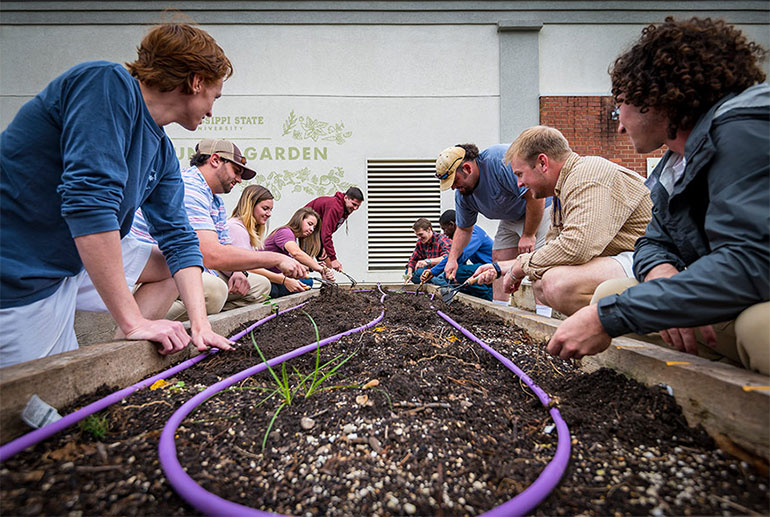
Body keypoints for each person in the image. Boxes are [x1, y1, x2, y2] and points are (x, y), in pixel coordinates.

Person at [0, 23, 236, 367]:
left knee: (172, 263)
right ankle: (130, 330)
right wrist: (133, 319)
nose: (212, 110)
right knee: (39, 408)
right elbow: (89, 203)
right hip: (21, 268)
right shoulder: (104, 84)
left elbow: (179, 237)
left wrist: (201, 326)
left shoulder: (160, 149)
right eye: (214, 96)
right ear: (196, 81)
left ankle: (120, 357)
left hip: (71, 260)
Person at [548, 17, 769, 375]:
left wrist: (612, 318)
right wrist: (661, 276)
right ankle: (705, 388)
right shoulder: (675, 163)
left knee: (758, 330)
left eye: (621, 106)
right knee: (609, 292)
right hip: (739, 291)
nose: (618, 124)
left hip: (755, 289)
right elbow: (652, 241)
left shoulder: (744, 131)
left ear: (658, 97)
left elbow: (750, 262)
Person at [471, 126, 652, 315]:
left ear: (543, 163)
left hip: (654, 259)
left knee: (557, 284)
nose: (519, 184)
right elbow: (554, 248)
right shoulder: (562, 190)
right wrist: (502, 267)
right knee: (542, 283)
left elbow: (577, 247)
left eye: (520, 174)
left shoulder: (588, 175)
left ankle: (626, 337)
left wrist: (519, 269)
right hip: (626, 259)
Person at [131, 139, 306, 320]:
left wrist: (237, 271)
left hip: (193, 267)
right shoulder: (189, 188)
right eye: (236, 171)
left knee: (260, 286)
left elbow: (224, 246)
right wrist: (276, 258)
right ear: (215, 160)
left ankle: (212, 319)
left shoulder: (216, 201)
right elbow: (211, 255)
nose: (238, 180)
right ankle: (142, 319)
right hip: (157, 271)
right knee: (215, 291)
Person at [435, 143, 551, 302]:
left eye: (455, 181)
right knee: (498, 260)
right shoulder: (463, 195)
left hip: (540, 207)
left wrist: (528, 234)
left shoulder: (499, 161)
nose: (454, 188)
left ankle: (542, 319)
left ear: (467, 169)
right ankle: (500, 310)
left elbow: (533, 195)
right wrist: (452, 259)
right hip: (512, 215)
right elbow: (464, 229)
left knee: (537, 264)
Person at [261, 207, 335, 298]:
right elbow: (296, 253)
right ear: (300, 219)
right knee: (273, 291)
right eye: (309, 224)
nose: (311, 229)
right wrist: (319, 268)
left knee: (308, 282)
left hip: (277, 276)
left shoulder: (292, 238)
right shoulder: (285, 232)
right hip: (264, 275)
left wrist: (314, 267)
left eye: (314, 227)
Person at [421, 210, 493, 301]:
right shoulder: (465, 234)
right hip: (482, 266)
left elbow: (458, 256)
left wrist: (433, 271)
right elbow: (456, 258)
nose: (445, 233)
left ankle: (488, 297)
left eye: (445, 229)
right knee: (449, 275)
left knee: (458, 272)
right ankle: (471, 296)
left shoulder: (473, 233)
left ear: (452, 224)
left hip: (492, 267)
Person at [306, 187, 364, 271]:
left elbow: (326, 229)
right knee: (308, 261)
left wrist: (325, 247)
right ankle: (300, 281)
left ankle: (327, 283)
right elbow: (326, 233)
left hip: (317, 232)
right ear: (346, 198)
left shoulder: (345, 209)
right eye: (354, 204)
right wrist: (333, 259)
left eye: (358, 206)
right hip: (306, 230)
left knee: (327, 262)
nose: (355, 208)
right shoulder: (335, 206)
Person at [404, 218, 451, 286]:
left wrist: (427, 261)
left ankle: (450, 291)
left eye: (420, 234)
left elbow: (447, 258)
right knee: (411, 272)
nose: (419, 238)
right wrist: (409, 272)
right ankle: (429, 287)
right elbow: (413, 259)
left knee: (436, 278)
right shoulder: (420, 243)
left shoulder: (442, 240)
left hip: (442, 270)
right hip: (428, 270)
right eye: (417, 235)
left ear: (429, 230)